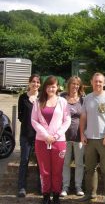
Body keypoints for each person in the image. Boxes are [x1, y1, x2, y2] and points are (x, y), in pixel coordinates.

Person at [79, 72, 105, 204]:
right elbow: (83, 117)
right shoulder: (87, 98)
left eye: (100, 81)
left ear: (104, 83)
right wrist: (82, 134)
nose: (98, 84)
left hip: (104, 140)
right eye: (95, 81)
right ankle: (90, 194)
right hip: (89, 139)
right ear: (91, 82)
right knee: (89, 169)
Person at [31, 75, 71, 204]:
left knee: (57, 170)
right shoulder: (38, 102)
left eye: (53, 86)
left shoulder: (63, 102)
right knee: (44, 170)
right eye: (48, 86)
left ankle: (56, 195)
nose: (51, 88)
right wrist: (45, 136)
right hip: (42, 141)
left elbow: (67, 120)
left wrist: (56, 136)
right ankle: (46, 195)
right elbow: (34, 120)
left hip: (58, 141)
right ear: (45, 87)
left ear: (57, 87)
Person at [60, 76, 85, 197]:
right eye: (73, 84)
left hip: (79, 136)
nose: (75, 86)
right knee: (65, 163)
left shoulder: (83, 99)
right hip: (63, 137)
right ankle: (65, 187)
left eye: (77, 84)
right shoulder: (62, 98)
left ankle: (78, 186)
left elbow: (85, 118)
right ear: (69, 84)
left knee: (79, 163)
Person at [17, 74, 41, 197]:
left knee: (40, 162)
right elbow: (20, 116)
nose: (35, 84)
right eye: (33, 82)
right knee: (24, 160)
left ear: (40, 84)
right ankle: (21, 187)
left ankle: (41, 187)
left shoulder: (42, 98)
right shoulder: (22, 98)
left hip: (39, 136)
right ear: (29, 83)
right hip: (26, 135)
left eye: (37, 82)